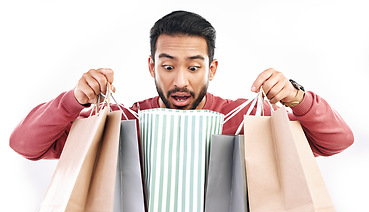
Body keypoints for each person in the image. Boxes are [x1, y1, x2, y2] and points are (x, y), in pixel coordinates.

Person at [9, 10, 353, 160]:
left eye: (194, 66)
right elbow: (25, 145)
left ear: (212, 69)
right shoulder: (121, 120)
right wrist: (73, 100)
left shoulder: (245, 117)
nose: (180, 81)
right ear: (151, 67)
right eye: (168, 66)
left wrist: (296, 97)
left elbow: (336, 142)